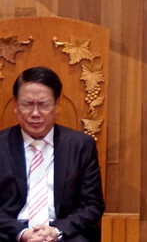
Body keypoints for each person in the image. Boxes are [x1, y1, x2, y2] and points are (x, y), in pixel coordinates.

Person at [0, 67, 104, 242]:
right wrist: (21, 233)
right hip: (10, 233)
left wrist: (56, 231)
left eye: (43, 104)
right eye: (27, 104)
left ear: (57, 104)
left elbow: (92, 205)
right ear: (16, 105)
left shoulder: (81, 145)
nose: (35, 113)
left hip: (63, 233)